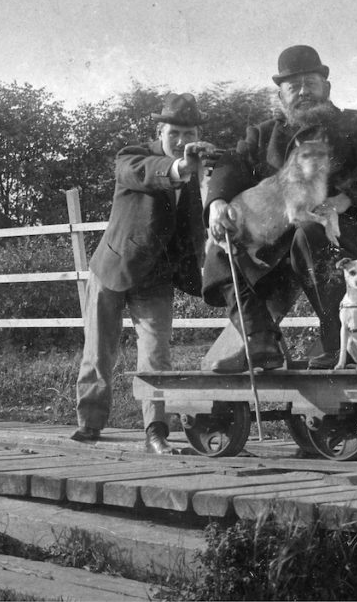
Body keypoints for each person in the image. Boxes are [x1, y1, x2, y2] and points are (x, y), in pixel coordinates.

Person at [203, 45, 357, 372]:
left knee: (310, 232)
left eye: (311, 82)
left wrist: (342, 199)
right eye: (294, 87)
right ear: (281, 96)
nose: (304, 92)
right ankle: (259, 339)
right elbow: (230, 165)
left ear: (327, 88)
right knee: (220, 247)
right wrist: (218, 202)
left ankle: (336, 340)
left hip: (346, 236)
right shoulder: (263, 134)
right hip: (277, 244)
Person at [73, 93, 214, 454]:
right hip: (113, 266)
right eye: (174, 133)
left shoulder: (201, 165)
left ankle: (156, 431)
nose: (182, 141)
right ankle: (89, 423)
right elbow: (142, 174)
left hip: (156, 276)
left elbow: (198, 223)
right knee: (99, 349)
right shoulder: (132, 155)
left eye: (189, 132)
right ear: (159, 130)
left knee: (156, 355)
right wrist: (180, 169)